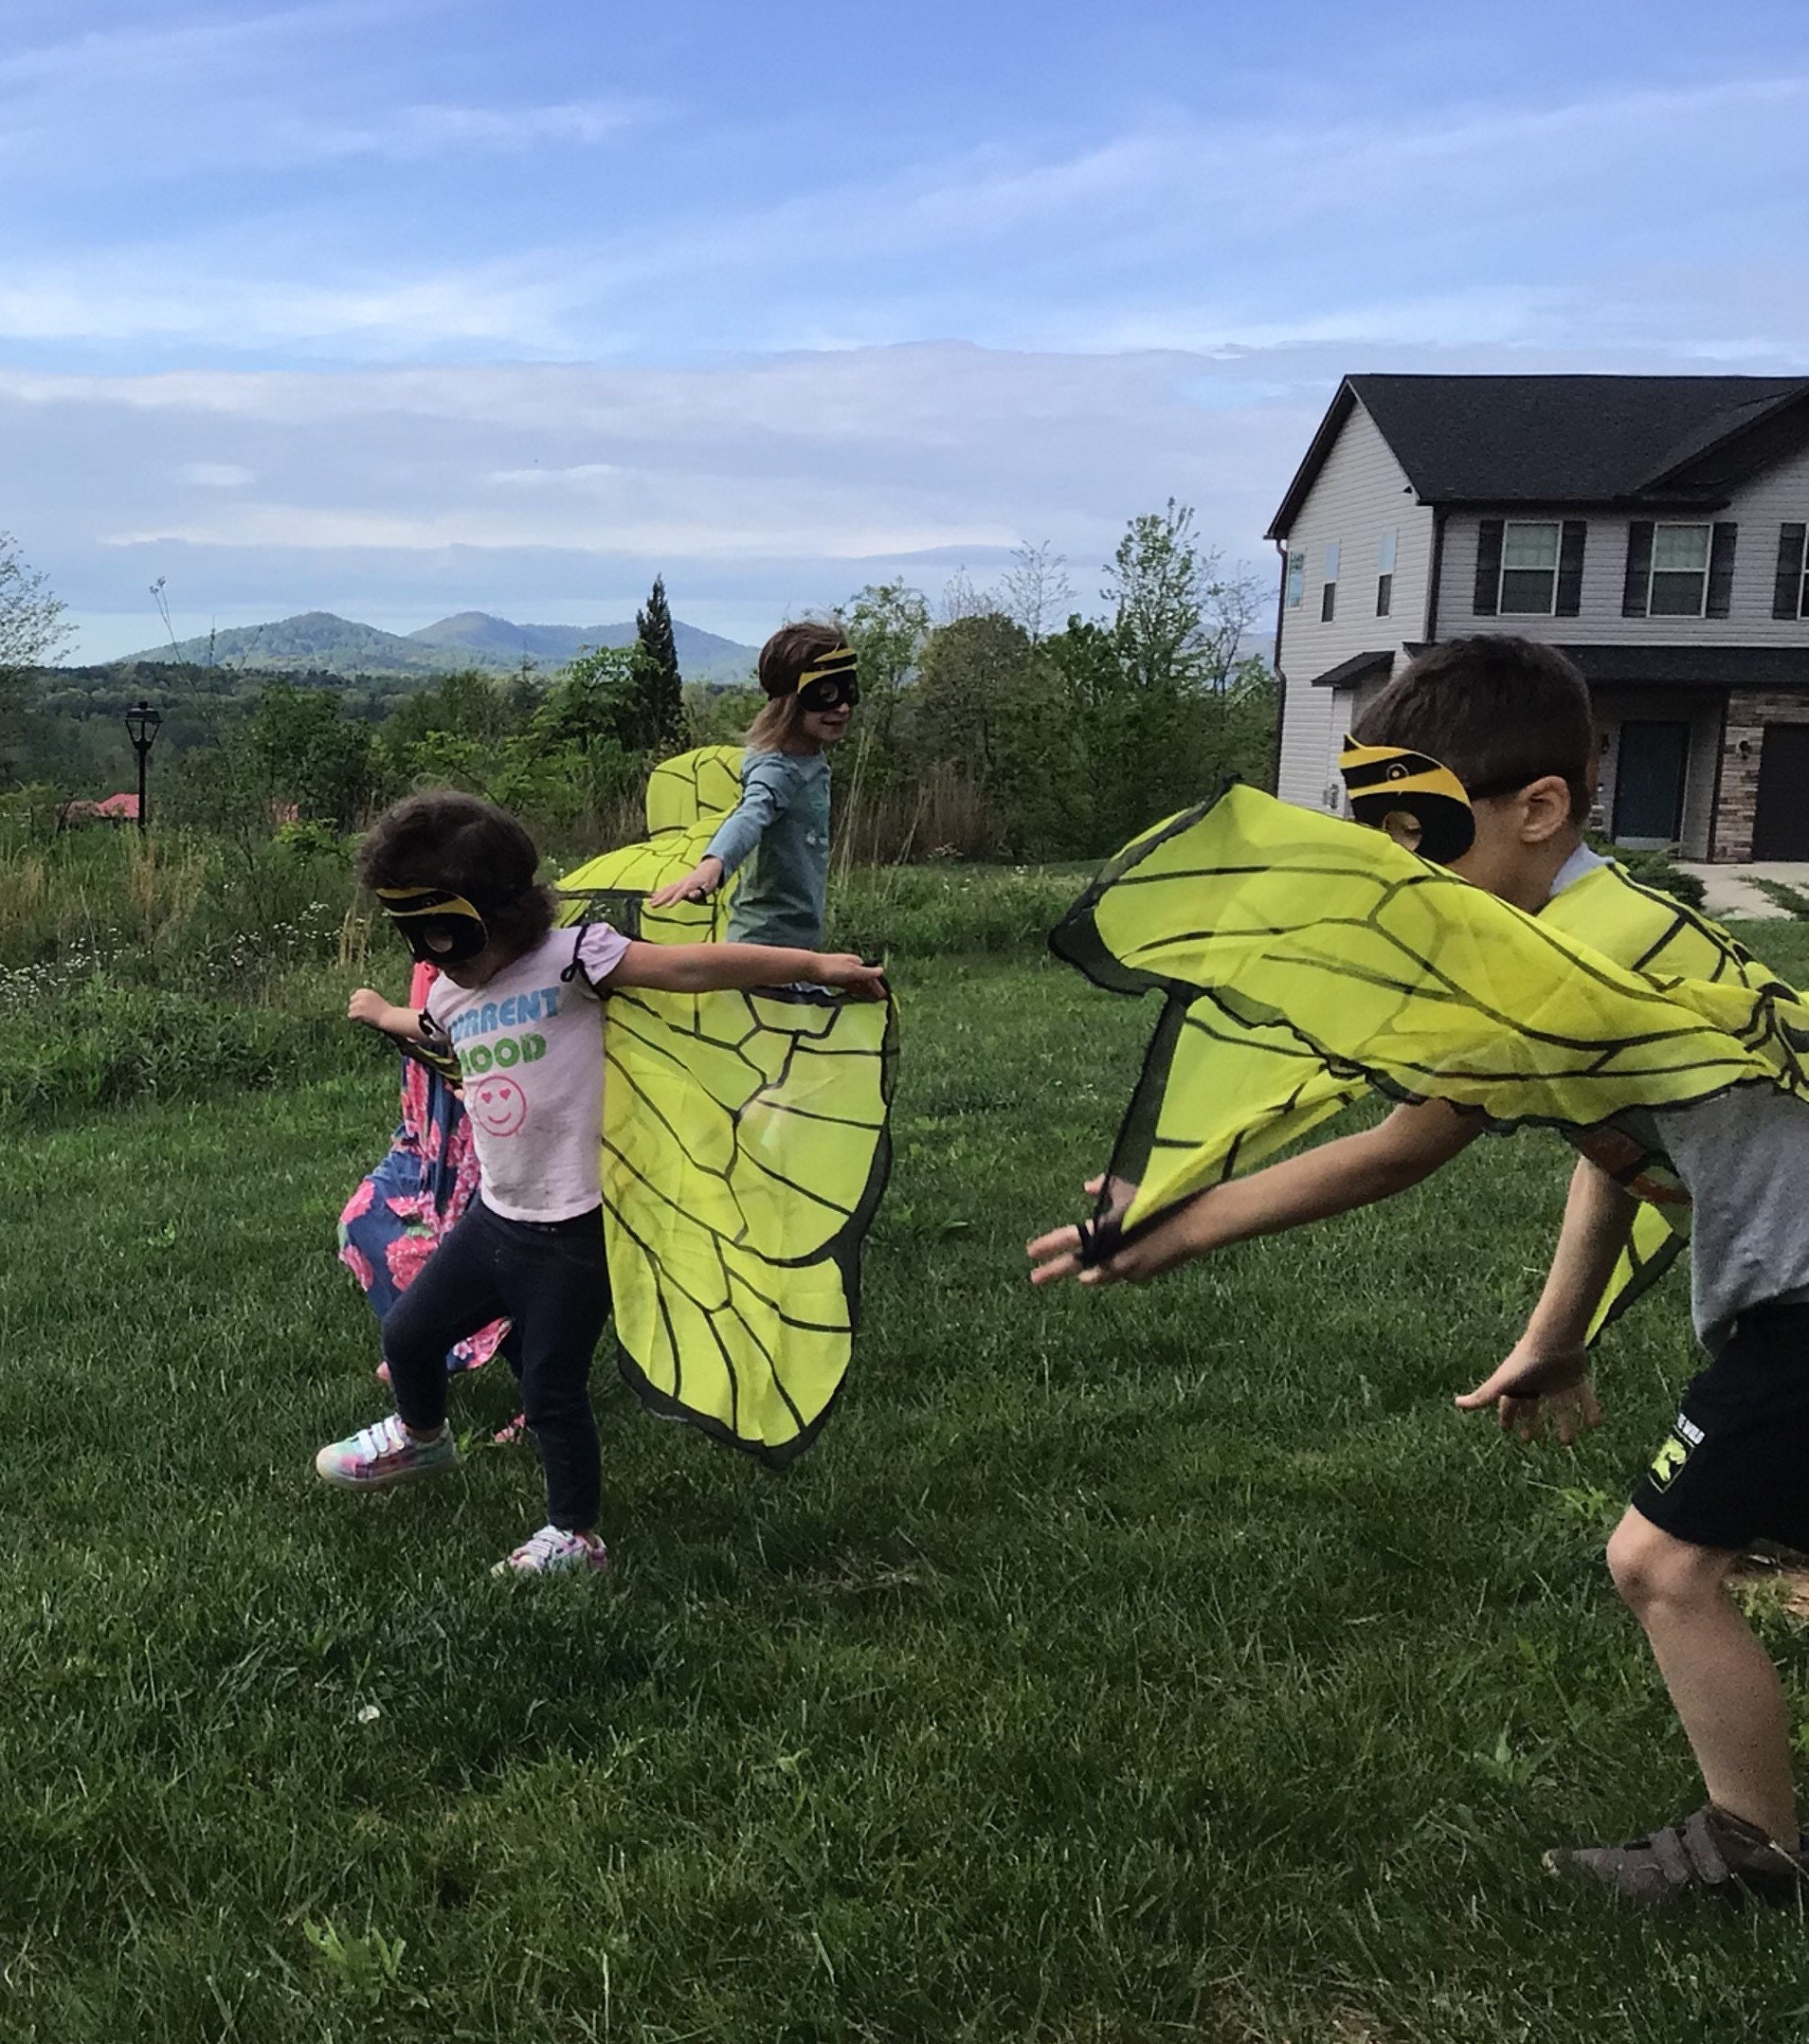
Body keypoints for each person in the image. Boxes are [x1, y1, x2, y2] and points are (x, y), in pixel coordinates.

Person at [1028, 636, 1809, 1907]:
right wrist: (1558, 1338)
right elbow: (1611, 1152)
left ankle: (1748, 1854)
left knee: (1658, 1564)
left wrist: (1180, 1224)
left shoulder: (1571, 965)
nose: (1398, 871)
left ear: (1536, 809)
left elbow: (1403, 1143)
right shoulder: (1608, 933)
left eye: (1416, 832)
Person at [317, 790, 886, 1577]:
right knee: (409, 1333)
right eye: (416, 939)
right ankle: (423, 1437)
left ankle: (574, 1534)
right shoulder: (449, 991)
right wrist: (386, 1013)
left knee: (551, 1386)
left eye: (444, 931)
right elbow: (447, 1041)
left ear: (505, 909)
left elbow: (693, 966)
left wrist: (814, 965)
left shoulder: (578, 957)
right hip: (496, 1216)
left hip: (575, 1231)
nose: (436, 957)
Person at [338, 954, 516, 1402]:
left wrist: (387, 1016)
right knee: (364, 1217)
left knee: (490, 1258)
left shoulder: (481, 925)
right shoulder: (429, 921)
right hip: (428, 1117)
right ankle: (421, 1344)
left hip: (473, 1113)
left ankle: (540, 1394)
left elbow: (468, 1010)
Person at [645, 622, 857, 946]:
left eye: (847, 690)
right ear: (791, 700)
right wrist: (713, 864)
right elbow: (751, 813)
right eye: (826, 693)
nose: (842, 707)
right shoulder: (778, 769)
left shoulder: (809, 756)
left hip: (797, 937)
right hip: (766, 941)